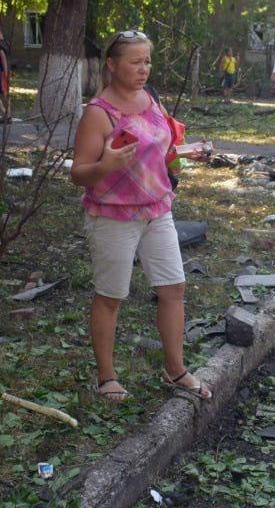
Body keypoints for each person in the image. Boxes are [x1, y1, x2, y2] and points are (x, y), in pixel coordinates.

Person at [69, 30, 210, 403]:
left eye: (147, 60)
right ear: (112, 65)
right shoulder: (98, 113)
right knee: (111, 296)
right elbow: (78, 172)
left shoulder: (150, 99)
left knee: (173, 289)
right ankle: (106, 377)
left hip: (158, 211)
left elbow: (161, 150)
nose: (144, 68)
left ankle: (175, 369)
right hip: (114, 217)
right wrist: (105, 164)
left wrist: (186, 152)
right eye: (135, 61)